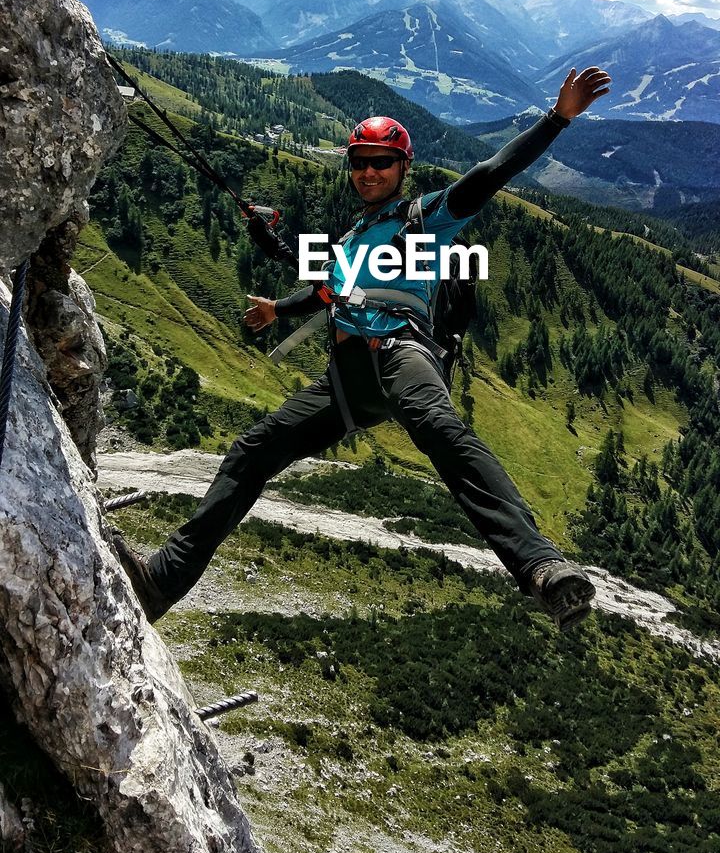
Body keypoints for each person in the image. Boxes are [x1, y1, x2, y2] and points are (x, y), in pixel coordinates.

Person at [114, 66, 611, 631]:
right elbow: (330, 290)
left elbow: (492, 172)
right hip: (347, 379)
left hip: (402, 352)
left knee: (442, 432)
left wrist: (557, 118)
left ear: (404, 168)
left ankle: (541, 567)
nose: (368, 172)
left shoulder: (428, 218)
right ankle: (160, 584)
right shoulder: (352, 240)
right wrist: (279, 310)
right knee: (254, 452)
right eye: (359, 162)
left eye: (381, 162)